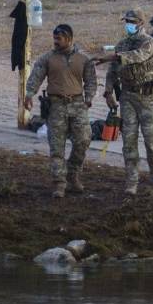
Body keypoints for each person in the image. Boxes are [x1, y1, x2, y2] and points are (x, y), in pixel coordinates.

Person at [94, 9, 153, 197]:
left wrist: (112, 56)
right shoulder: (122, 44)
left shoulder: (149, 42)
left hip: (146, 98)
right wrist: (108, 91)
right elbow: (112, 71)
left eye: (132, 21)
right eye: (126, 21)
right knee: (129, 140)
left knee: (152, 141)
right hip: (127, 96)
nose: (128, 24)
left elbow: (138, 56)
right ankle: (132, 180)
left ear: (141, 23)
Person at [23, 24, 96, 198]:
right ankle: (59, 183)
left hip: (78, 105)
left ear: (69, 39)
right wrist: (29, 94)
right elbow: (36, 76)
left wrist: (89, 98)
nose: (55, 42)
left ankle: (73, 173)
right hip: (56, 106)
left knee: (83, 140)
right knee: (57, 147)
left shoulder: (83, 59)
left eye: (59, 38)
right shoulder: (47, 58)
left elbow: (91, 80)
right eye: (54, 38)